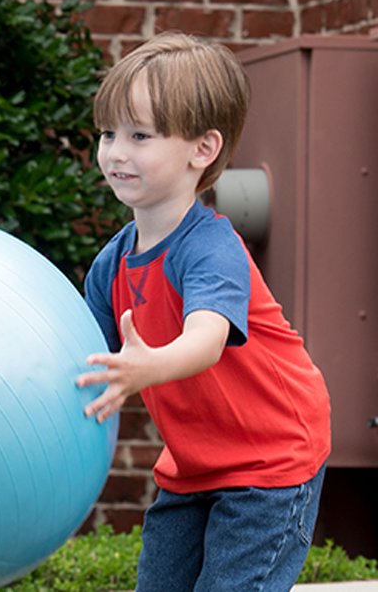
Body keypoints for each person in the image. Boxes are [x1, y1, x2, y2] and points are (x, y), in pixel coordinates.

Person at [76, 31, 331, 592]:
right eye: (108, 133)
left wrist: (145, 368)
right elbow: (75, 356)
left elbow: (207, 339)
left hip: (270, 458)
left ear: (203, 149)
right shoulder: (112, 263)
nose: (116, 151)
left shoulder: (211, 247)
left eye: (140, 135)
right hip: (193, 466)